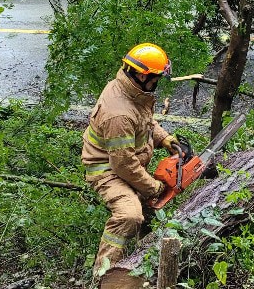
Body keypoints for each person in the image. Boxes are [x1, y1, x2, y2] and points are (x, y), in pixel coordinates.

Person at [81, 43, 190, 274]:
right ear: (142, 75)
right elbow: (122, 164)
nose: (157, 83)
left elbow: (144, 121)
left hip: (125, 164)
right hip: (107, 171)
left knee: (151, 207)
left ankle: (144, 259)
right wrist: (153, 186)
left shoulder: (131, 90)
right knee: (129, 215)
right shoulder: (118, 113)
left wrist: (164, 139)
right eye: (156, 77)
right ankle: (103, 275)